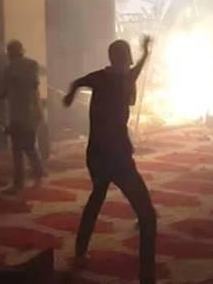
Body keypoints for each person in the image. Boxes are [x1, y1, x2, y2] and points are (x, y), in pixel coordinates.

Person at [63, 36, 157, 284]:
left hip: (95, 154)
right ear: (125, 59)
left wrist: (70, 96)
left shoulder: (99, 77)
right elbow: (138, 68)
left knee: (97, 197)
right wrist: (146, 50)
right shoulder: (126, 78)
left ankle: (80, 251)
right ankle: (147, 277)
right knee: (148, 216)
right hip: (118, 158)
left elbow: (77, 82)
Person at [0, 40, 45, 192]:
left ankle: (19, 182)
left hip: (17, 113)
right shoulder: (32, 64)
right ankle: (38, 173)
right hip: (32, 111)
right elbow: (34, 85)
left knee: (17, 149)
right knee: (30, 145)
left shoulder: (8, 69)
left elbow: (4, 92)